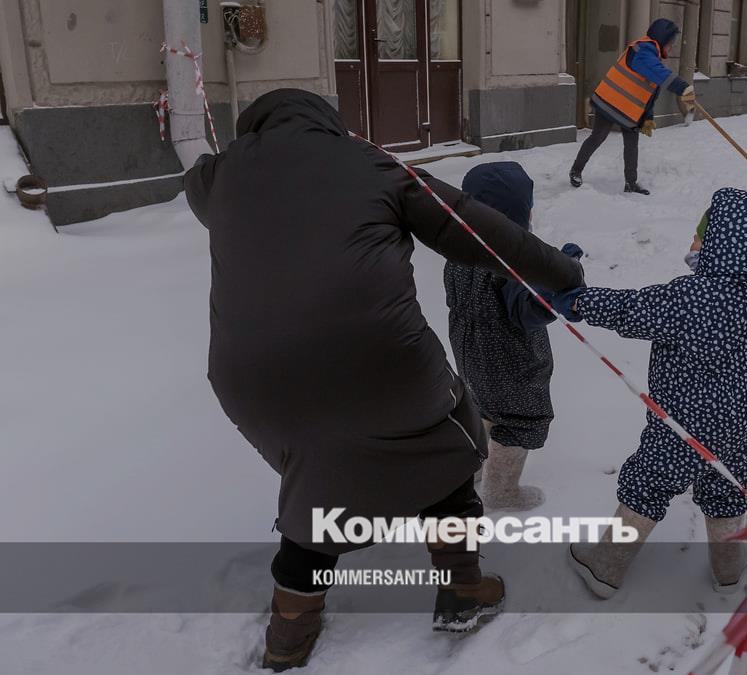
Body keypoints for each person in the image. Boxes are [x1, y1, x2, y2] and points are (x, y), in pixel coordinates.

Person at [182, 89, 584, 671]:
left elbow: (199, 179)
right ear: (330, 125)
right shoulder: (372, 165)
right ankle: (462, 588)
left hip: (248, 378)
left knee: (319, 472)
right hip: (380, 359)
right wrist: (564, 271)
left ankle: (290, 629)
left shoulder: (217, 178)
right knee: (449, 445)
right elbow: (476, 231)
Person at [551, 188, 747, 597]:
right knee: (726, 491)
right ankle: (729, 569)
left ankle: (605, 567)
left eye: (702, 235)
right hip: (738, 430)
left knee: (648, 486)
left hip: (679, 429)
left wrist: (579, 304)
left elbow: (630, 309)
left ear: (724, 244)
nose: (693, 242)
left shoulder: (689, 296)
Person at [443, 162, 584, 511]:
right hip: (513, 365)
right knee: (519, 420)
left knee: (479, 405)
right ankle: (501, 491)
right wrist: (561, 274)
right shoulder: (515, 260)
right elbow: (531, 307)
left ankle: (472, 466)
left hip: (469, 353)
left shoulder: (459, 249)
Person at [569, 18, 697, 195]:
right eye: (671, 42)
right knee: (598, 137)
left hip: (629, 111)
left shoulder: (653, 57)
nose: (672, 46)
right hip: (609, 102)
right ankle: (576, 171)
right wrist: (683, 87)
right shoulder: (643, 50)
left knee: (631, 145)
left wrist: (648, 117)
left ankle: (630, 182)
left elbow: (650, 93)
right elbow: (659, 74)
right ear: (662, 39)